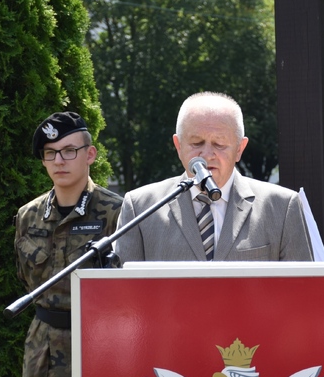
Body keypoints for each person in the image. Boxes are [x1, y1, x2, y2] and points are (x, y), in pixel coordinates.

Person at [15, 112, 123, 377]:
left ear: (90, 154)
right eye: (50, 153)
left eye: (69, 151)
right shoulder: (28, 217)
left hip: (99, 356)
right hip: (42, 358)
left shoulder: (118, 213)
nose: (59, 161)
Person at [114, 92, 313, 262]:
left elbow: (303, 292)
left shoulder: (282, 207)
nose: (207, 154)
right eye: (196, 143)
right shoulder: (140, 208)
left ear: (239, 149)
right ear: (178, 146)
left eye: (219, 144)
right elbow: (123, 297)